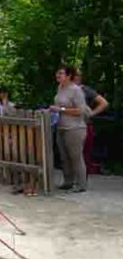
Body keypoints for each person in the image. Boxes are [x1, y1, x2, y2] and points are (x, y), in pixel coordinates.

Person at [51, 65, 90, 193]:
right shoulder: (60, 88)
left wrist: (61, 110)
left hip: (75, 128)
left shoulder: (76, 90)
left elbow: (80, 110)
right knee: (64, 156)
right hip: (61, 126)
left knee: (75, 156)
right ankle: (68, 181)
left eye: (61, 73)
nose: (58, 75)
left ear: (68, 76)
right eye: (58, 73)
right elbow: (58, 105)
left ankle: (81, 184)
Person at [72, 71, 109, 174]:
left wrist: (92, 113)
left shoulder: (85, 90)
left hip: (84, 125)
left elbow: (104, 103)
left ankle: (82, 179)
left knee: (83, 154)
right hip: (70, 125)